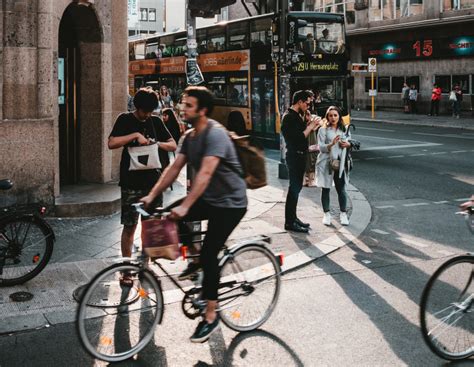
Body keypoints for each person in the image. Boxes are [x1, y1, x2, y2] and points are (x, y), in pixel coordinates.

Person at [141, 86, 247, 343]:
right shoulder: (189, 136)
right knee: (168, 215)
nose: (182, 108)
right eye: (183, 104)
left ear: (202, 110)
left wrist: (187, 206)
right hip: (210, 199)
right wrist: (152, 195)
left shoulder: (215, 135)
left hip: (231, 203)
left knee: (210, 253)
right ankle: (195, 260)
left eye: (188, 105)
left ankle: (210, 316)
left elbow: (206, 174)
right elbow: (174, 169)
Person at [108, 88, 177, 281]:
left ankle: (145, 268)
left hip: (153, 183)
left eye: (150, 111)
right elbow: (111, 143)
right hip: (131, 183)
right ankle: (127, 270)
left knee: (151, 226)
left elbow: (172, 145)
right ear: (137, 107)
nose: (147, 115)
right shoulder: (125, 119)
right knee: (129, 226)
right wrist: (134, 136)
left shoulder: (155, 121)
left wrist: (155, 144)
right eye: (144, 111)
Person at [281, 90, 319, 233]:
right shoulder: (289, 117)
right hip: (294, 156)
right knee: (294, 189)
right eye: (307, 103)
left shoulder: (297, 115)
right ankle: (289, 222)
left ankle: (293, 218)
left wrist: (308, 122)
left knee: (296, 189)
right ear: (300, 102)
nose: (308, 106)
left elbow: (302, 133)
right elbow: (296, 138)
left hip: (299, 156)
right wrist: (309, 127)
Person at [316, 106, 351, 226]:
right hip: (326, 162)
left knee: (341, 189)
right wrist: (331, 144)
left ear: (339, 116)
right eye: (330, 115)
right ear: (327, 117)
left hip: (340, 163)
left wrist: (347, 144)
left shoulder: (344, 129)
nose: (333, 117)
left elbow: (349, 143)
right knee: (325, 188)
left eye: (335, 115)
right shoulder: (322, 130)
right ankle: (326, 214)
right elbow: (320, 147)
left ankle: (343, 214)